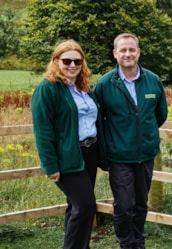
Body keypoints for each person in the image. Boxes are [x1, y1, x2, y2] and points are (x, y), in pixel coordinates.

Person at [31, 39, 107, 249]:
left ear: (82, 63)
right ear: (56, 61)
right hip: (67, 157)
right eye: (67, 60)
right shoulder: (48, 89)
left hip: (89, 154)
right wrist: (50, 164)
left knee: (75, 207)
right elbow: (43, 130)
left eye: (77, 61)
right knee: (85, 206)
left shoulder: (84, 88)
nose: (72, 65)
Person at [94, 33, 168, 249]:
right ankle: (126, 244)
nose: (128, 54)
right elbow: (99, 120)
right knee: (124, 206)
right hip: (119, 157)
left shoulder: (153, 81)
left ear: (138, 52)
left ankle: (139, 242)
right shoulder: (106, 85)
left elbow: (160, 115)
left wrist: (145, 135)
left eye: (132, 50)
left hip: (145, 155)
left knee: (141, 204)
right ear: (115, 54)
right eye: (123, 50)